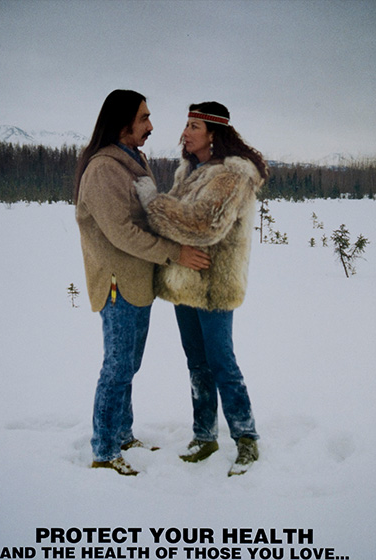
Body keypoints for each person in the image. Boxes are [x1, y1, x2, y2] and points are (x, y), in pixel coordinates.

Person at [74, 90, 211, 476]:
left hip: (138, 282)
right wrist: (175, 253)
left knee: (128, 366)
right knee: (116, 368)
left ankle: (121, 434)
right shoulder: (104, 169)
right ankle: (103, 451)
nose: (151, 126)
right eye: (144, 118)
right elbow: (122, 233)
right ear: (122, 123)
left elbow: (147, 214)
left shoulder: (132, 162)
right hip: (118, 283)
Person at [134, 101, 268, 476]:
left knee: (222, 361)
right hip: (185, 283)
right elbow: (177, 223)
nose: (185, 132)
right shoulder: (191, 171)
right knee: (197, 363)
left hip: (214, 285)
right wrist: (168, 220)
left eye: (194, 126)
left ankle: (246, 438)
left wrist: (151, 202)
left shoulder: (232, 175)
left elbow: (203, 224)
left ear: (214, 133)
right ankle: (204, 435)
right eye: (186, 125)